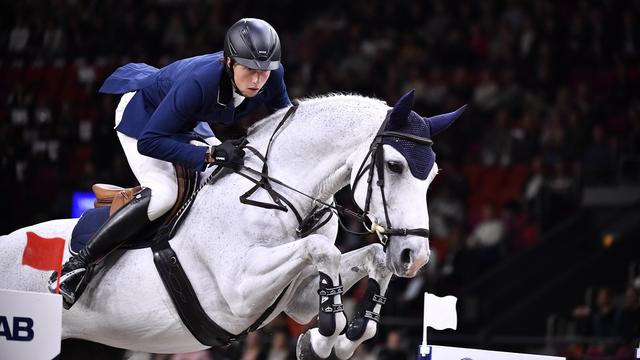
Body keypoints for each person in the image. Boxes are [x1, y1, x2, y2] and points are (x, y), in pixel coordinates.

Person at [48, 18, 292, 307]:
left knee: (239, 173)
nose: (257, 80)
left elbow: (285, 123)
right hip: (145, 119)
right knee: (164, 195)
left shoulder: (271, 74)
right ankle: (78, 265)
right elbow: (150, 141)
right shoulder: (200, 81)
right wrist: (210, 155)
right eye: (249, 70)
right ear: (229, 62)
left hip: (187, 120)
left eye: (264, 72)